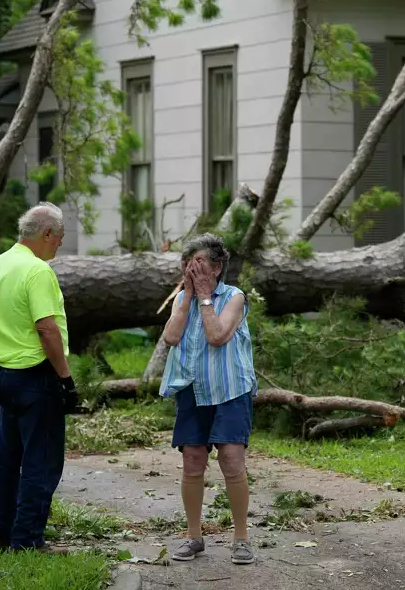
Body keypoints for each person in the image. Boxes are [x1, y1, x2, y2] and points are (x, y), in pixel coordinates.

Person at [0, 202, 80, 554]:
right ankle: (27, 542)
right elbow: (46, 328)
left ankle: (0, 537)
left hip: (4, 374)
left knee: (8, 462)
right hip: (36, 377)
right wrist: (65, 379)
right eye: (60, 238)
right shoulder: (38, 272)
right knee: (42, 462)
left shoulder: (3, 262)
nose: (60, 245)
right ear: (47, 234)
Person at [159, 233, 258, 565]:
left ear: (217, 267)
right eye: (189, 263)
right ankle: (193, 536)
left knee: (231, 460)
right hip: (193, 388)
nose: (193, 268)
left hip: (230, 389)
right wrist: (188, 295)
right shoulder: (181, 298)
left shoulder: (234, 297)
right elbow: (171, 337)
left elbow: (217, 336)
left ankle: (241, 538)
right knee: (192, 461)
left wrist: (204, 296)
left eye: (200, 262)